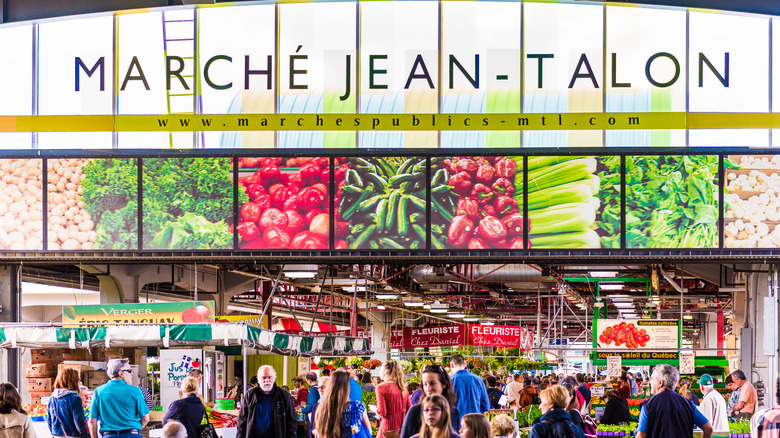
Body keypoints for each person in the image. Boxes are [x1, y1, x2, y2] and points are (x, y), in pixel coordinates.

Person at [635, 364, 713, 438]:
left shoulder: (648, 405)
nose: (650, 382)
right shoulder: (688, 404)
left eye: (651, 379)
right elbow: (708, 429)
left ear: (660, 383)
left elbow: (640, 436)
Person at [89, 359, 149, 438]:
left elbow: (92, 421)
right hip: (131, 435)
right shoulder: (135, 391)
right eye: (129, 371)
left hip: (109, 435)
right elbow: (146, 418)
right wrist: (135, 429)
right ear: (120, 373)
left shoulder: (99, 391)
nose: (131, 373)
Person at [401, 365, 461, 438]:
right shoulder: (415, 411)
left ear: (444, 384)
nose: (428, 388)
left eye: (432, 384)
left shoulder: (454, 412)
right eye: (425, 384)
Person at [236, 365, 296, 438]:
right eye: (264, 377)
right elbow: (242, 421)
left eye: (269, 377)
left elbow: (291, 422)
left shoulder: (284, 395)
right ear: (258, 379)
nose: (267, 380)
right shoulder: (250, 395)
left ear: (274, 378)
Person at [313, 370, 371, 438]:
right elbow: (368, 431)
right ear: (347, 387)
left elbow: (318, 431)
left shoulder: (321, 407)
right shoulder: (357, 406)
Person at [48, 368, 89, 438]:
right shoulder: (74, 398)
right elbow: (79, 422)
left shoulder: (52, 398)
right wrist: (86, 436)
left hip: (56, 435)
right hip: (72, 435)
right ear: (73, 381)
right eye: (78, 381)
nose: (79, 383)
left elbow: (49, 421)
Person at [376, 361, 411, 438]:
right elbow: (409, 410)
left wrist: (374, 409)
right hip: (401, 429)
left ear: (386, 372)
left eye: (381, 369)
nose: (379, 372)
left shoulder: (380, 388)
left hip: (387, 428)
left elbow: (382, 413)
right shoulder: (403, 388)